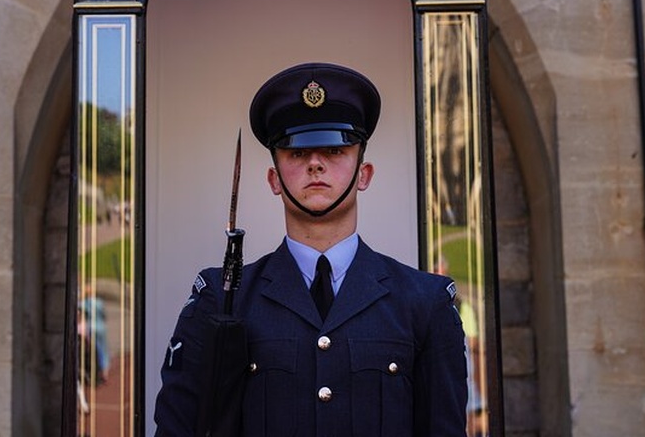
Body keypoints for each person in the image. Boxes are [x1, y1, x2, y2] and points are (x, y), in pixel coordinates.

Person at [154, 62, 468, 436]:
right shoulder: (222, 299)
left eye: (335, 151)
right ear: (274, 179)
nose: (316, 164)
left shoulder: (423, 303)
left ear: (363, 174)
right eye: (297, 154)